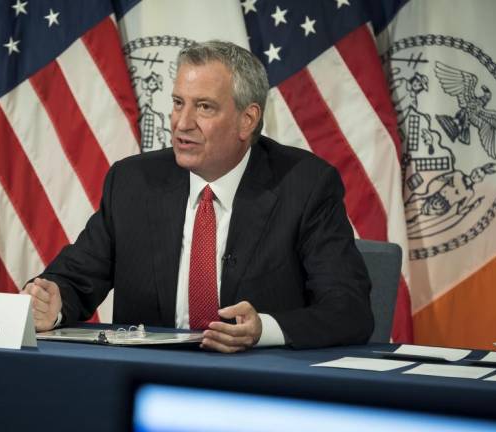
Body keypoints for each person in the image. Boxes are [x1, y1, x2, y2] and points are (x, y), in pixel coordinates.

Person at [22, 40, 373, 353]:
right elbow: (74, 280)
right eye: (178, 103)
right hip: (145, 380)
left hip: (257, 386)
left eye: (204, 107)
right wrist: (54, 303)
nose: (181, 122)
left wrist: (263, 329)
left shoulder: (305, 185)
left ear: (247, 120)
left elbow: (349, 309)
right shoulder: (132, 182)